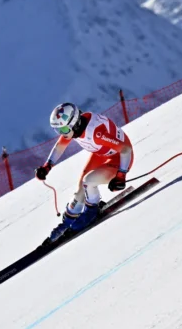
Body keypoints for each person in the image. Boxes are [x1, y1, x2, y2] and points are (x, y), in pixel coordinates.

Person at [34, 102, 134, 242]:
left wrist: (121, 175)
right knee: (81, 186)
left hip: (120, 158)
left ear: (73, 123)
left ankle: (91, 211)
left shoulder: (96, 133)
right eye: (58, 130)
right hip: (102, 153)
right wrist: (47, 166)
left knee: (89, 181)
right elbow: (60, 146)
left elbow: (126, 149)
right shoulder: (75, 127)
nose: (61, 134)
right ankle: (68, 220)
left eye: (62, 129)